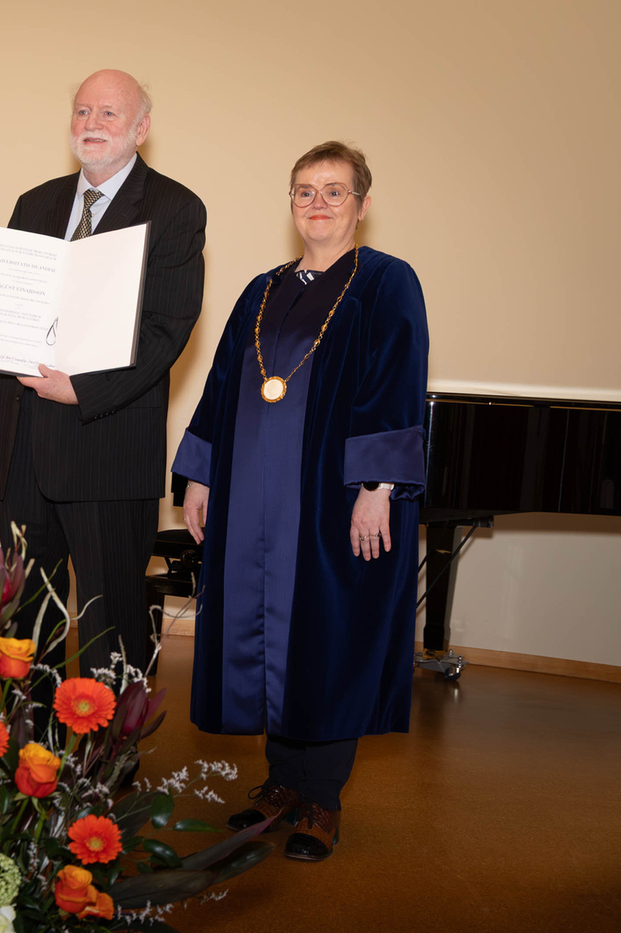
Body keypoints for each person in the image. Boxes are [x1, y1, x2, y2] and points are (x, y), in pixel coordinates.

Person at [0, 69, 206, 697]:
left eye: (108, 113)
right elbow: (8, 311)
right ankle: (30, 751)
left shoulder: (174, 208)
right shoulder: (37, 203)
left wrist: (83, 390)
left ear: (141, 128)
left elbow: (167, 328)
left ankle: (109, 755)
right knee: (25, 630)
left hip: (108, 447)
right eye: (82, 111)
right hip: (25, 447)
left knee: (112, 628)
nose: (91, 123)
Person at [172, 141, 429, 861]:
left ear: (362, 204)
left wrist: (377, 487)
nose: (318, 204)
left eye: (334, 191)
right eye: (305, 191)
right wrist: (201, 474)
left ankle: (322, 800)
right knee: (265, 632)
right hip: (254, 499)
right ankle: (281, 783)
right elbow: (222, 384)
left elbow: (397, 381)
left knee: (327, 637)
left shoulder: (386, 282)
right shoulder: (263, 289)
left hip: (331, 499)